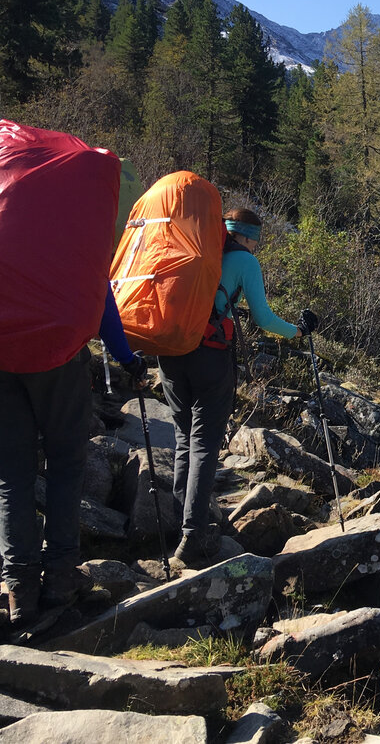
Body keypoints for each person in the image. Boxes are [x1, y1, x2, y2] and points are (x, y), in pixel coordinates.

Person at [0, 288, 146, 626]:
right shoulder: (69, 232)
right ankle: (60, 578)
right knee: (65, 464)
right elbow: (101, 298)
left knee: (8, 473)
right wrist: (128, 360)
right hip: (58, 352)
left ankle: (20, 591)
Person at [158, 208, 301, 571]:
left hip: (171, 352)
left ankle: (183, 521)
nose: (257, 244)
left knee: (183, 437)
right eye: (257, 238)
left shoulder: (193, 249)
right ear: (249, 236)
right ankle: (194, 535)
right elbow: (264, 318)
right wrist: (298, 331)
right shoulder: (244, 261)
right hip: (209, 356)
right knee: (204, 441)